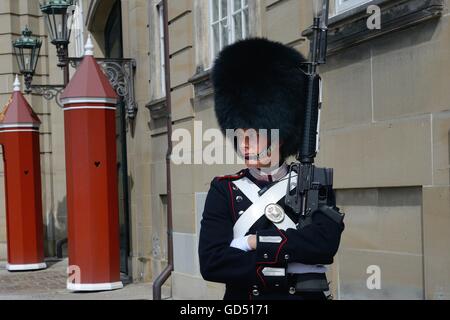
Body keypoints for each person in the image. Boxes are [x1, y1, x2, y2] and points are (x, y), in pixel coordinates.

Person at [198, 37, 345, 300]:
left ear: (278, 135)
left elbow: (324, 245)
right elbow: (212, 262)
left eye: (253, 134)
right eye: (239, 134)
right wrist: (291, 256)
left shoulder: (313, 182)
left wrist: (251, 243)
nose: (243, 144)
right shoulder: (224, 189)